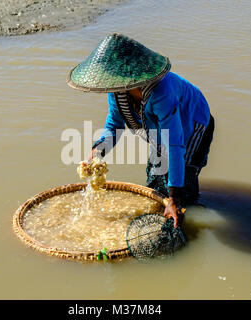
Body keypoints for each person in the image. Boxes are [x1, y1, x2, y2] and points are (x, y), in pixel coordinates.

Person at [67, 33, 214, 228]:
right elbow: (114, 127)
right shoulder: (118, 91)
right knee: (155, 177)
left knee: (183, 183)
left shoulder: (162, 92)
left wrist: (173, 200)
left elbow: (175, 146)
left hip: (194, 124)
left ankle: (185, 216)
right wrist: (95, 154)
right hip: (160, 132)